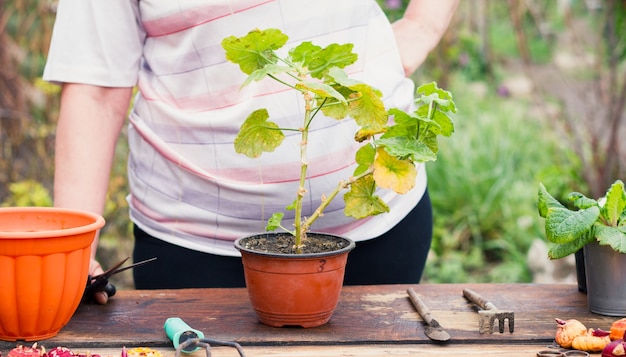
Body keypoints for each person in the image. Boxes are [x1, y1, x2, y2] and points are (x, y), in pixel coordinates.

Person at [43, 0, 459, 303]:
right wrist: (71, 251)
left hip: (377, 229)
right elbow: (94, 90)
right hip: (196, 247)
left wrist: (421, 25)